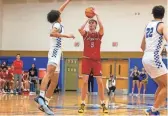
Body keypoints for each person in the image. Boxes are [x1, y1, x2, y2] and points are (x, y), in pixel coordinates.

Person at [34, 0, 75, 115]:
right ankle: (41, 96)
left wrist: (68, 1)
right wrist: (67, 35)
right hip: (54, 52)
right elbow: (52, 33)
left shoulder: (57, 22)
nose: (61, 14)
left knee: (54, 81)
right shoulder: (57, 25)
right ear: (58, 17)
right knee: (49, 74)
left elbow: (60, 9)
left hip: (58, 53)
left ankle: (45, 103)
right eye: (59, 14)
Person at [78, 8, 108, 113]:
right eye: (89, 24)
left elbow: (102, 27)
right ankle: (82, 103)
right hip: (86, 60)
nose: (91, 25)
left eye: (92, 24)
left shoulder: (98, 35)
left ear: (95, 26)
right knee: (85, 81)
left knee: (100, 82)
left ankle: (103, 103)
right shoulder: (85, 34)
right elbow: (79, 29)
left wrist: (97, 16)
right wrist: (88, 18)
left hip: (96, 61)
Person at [141, 5, 167, 115]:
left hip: (145, 57)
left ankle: (154, 110)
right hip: (154, 57)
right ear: (163, 14)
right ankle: (153, 110)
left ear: (153, 13)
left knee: (162, 85)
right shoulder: (162, 26)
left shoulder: (147, 26)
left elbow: (142, 46)